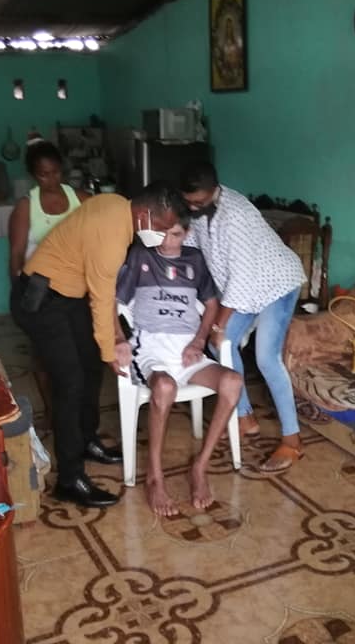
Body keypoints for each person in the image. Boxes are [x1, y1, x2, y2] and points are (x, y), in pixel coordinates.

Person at [10, 183, 182, 508]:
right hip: (41, 300)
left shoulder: (116, 204)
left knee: (89, 368)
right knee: (70, 383)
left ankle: (87, 440)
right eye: (161, 228)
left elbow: (101, 294)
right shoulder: (112, 237)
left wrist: (110, 344)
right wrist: (111, 352)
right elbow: (103, 299)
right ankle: (69, 479)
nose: (161, 236)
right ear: (144, 215)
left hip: (69, 294)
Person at [180, 161, 307, 473]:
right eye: (189, 202)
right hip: (246, 287)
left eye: (199, 201)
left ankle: (292, 440)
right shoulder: (198, 210)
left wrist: (218, 323)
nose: (193, 207)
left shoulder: (235, 215)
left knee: (266, 358)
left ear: (214, 190)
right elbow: (192, 246)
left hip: (276, 284)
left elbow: (240, 280)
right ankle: (244, 417)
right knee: (220, 345)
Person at [115, 218, 242, 517]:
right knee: (164, 387)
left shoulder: (195, 259)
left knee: (233, 382)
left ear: (187, 233)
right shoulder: (141, 255)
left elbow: (211, 305)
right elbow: (112, 301)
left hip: (187, 349)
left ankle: (200, 467)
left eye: (175, 235)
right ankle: (155, 476)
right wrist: (119, 339)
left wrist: (199, 341)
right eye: (162, 234)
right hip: (150, 348)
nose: (166, 242)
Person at [8, 140, 89, 280]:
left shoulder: (81, 199)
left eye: (56, 172)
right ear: (33, 175)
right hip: (40, 283)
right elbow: (17, 253)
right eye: (44, 175)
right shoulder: (25, 207)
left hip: (75, 281)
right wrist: (18, 286)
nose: (52, 180)